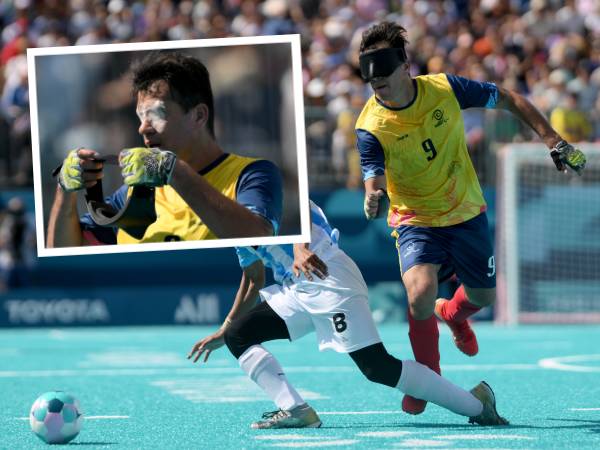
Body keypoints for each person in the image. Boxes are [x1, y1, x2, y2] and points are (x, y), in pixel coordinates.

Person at [355, 21, 586, 415]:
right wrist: (373, 199)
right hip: (415, 219)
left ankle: (454, 314)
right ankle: (427, 378)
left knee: (481, 296)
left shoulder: (445, 89)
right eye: (372, 82)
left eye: (386, 78)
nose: (379, 87)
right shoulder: (369, 126)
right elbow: (372, 181)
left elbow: (510, 98)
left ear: (405, 66)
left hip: (465, 211)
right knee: (419, 292)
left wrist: (553, 140)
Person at [188, 200, 508, 429]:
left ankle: (478, 404)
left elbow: (296, 211)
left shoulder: (254, 194)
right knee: (238, 335)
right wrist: (225, 327)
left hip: (327, 276)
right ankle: (296, 410)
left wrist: (300, 248)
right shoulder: (229, 228)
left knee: (377, 367)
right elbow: (254, 278)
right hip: (298, 289)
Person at [47, 51, 282, 246]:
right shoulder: (131, 194)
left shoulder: (253, 174)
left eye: (156, 114)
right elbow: (61, 260)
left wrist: (174, 170)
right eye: (140, 117)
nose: (143, 128)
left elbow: (258, 239)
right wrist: (65, 192)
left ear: (199, 116)